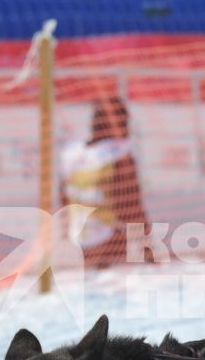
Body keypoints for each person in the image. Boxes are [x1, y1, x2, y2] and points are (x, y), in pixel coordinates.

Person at [60, 94, 151, 270]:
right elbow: (131, 209)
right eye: (125, 121)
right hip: (110, 245)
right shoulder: (119, 156)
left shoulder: (71, 155)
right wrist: (148, 251)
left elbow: (63, 201)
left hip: (79, 245)